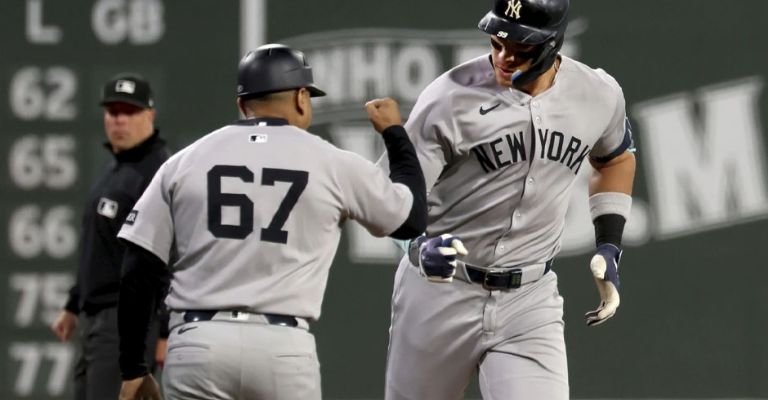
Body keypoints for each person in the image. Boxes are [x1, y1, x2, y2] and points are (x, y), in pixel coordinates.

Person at [115, 43, 427, 400]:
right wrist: (395, 134)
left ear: (241, 104)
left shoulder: (185, 161)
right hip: (283, 348)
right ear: (300, 98)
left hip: (199, 343)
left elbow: (137, 269)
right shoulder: (332, 162)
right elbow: (411, 220)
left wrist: (134, 369)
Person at [379, 0, 636, 398]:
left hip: (529, 299)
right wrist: (414, 246)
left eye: (521, 47)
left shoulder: (596, 93)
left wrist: (609, 244)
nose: (504, 56)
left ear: (553, 43)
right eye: (498, 42)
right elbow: (387, 198)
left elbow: (615, 158)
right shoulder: (449, 98)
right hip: (440, 293)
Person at [49, 74, 171, 400]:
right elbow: (99, 245)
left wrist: (164, 331)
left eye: (129, 111)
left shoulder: (159, 172)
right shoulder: (114, 167)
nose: (119, 119)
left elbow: (168, 258)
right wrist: (74, 304)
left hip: (128, 322)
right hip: (97, 320)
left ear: (150, 115)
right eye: (113, 110)